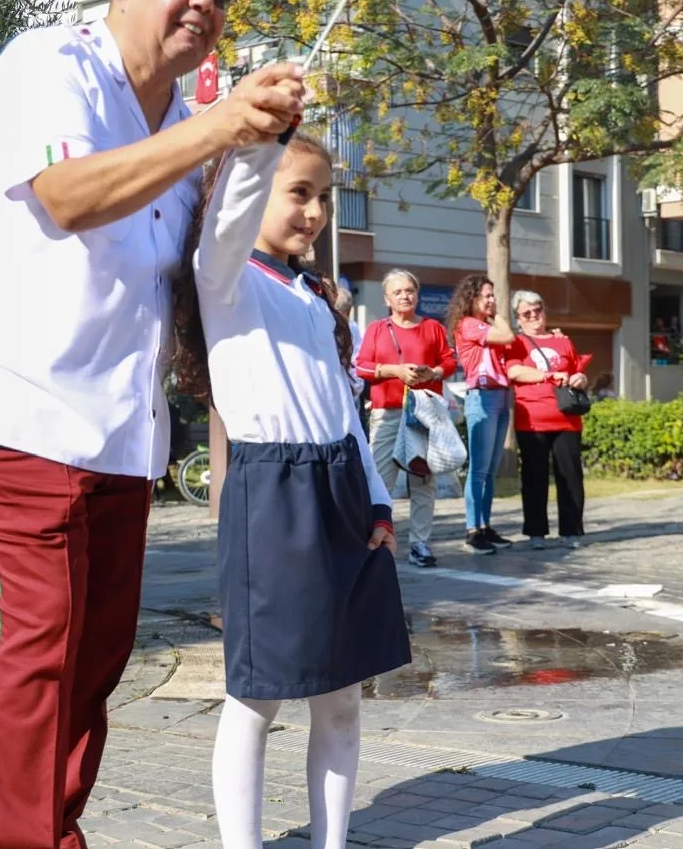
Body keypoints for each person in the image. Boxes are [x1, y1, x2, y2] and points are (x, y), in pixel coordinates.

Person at [0, 0, 306, 849]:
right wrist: (217, 127)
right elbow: (70, 195)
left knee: (96, 659)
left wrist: (247, 160)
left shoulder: (180, 121)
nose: (204, 1)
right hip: (15, 413)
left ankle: (54, 829)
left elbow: (186, 284)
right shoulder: (46, 65)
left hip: (121, 433)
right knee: (39, 658)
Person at [172, 135, 409, 849]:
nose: (313, 211)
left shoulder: (315, 296)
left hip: (342, 492)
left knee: (342, 699)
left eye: (322, 197)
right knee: (258, 697)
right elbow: (224, 223)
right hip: (271, 496)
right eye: (297, 192)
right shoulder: (225, 277)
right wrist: (259, 137)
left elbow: (344, 412)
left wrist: (375, 501)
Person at [354, 269, 457, 568]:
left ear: (417, 293)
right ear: (387, 298)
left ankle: (420, 543)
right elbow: (362, 367)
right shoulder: (376, 329)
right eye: (398, 292)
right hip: (387, 411)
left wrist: (433, 372)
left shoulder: (433, 328)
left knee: (423, 479)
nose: (405, 296)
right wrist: (394, 371)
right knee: (380, 478)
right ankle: (376, 536)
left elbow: (449, 361)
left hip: (423, 412)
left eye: (410, 290)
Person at [509, 290, 590, 550]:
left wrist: (580, 379)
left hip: (566, 418)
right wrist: (549, 375)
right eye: (526, 313)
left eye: (538, 310)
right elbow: (514, 371)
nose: (534, 316)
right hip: (531, 419)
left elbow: (578, 372)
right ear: (518, 319)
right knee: (534, 477)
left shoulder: (563, 341)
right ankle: (536, 532)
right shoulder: (516, 343)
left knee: (570, 476)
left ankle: (572, 531)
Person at [446, 275, 520, 555]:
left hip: (500, 396)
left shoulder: (485, 325)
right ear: (471, 298)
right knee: (479, 470)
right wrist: (499, 314)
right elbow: (507, 336)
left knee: (489, 470)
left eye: (493, 295)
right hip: (482, 397)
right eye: (486, 296)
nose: (491, 300)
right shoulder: (469, 324)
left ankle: (485, 525)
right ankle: (472, 530)